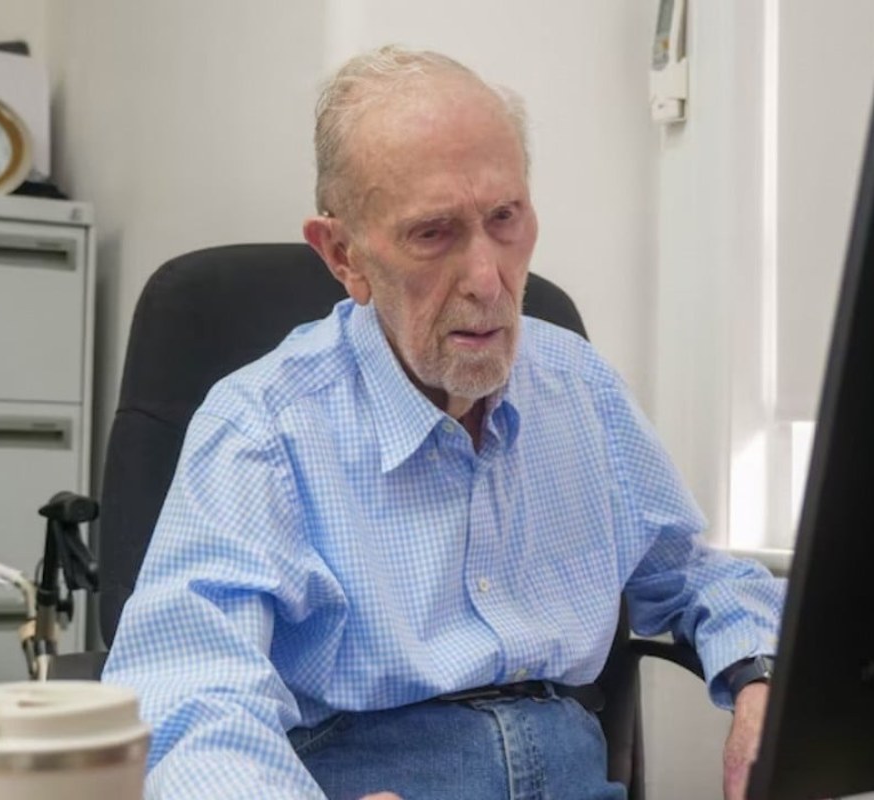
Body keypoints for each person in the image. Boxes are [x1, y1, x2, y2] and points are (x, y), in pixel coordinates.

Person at [102, 45, 786, 800]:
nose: (489, 281)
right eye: (433, 233)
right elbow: (189, 697)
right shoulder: (263, 427)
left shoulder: (579, 387)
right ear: (343, 255)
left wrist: (760, 678)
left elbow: (693, 574)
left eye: (504, 218)